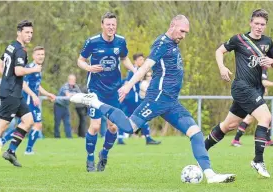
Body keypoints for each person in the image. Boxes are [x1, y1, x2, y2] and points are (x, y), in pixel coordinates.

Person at [71, 15, 235, 183]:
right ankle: (94, 101)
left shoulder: (172, 43)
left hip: (171, 102)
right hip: (157, 98)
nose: (184, 36)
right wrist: (128, 85)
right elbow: (145, 67)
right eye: (182, 31)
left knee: (196, 133)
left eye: (186, 32)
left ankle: (210, 175)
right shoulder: (162, 43)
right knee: (128, 127)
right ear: (172, 26)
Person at [203, 9, 273, 178]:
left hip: (255, 88)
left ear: (265, 26)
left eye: (262, 24)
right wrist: (222, 67)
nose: (259, 27)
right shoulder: (239, 40)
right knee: (266, 118)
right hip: (242, 87)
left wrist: (272, 62)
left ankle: (201, 149)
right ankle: (258, 160)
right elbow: (219, 51)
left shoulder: (268, 42)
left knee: (228, 126)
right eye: (257, 23)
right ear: (251, 23)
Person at [0, 20, 42, 168]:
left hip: (14, 91)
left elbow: (0, 65)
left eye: (31, 32)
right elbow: (18, 71)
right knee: (1, 126)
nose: (29, 35)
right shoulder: (20, 50)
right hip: (11, 93)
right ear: (19, 33)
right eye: (26, 32)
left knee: (29, 120)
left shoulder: (11, 45)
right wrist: (34, 69)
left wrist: (8, 78)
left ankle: (11, 151)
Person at [76, 12, 136, 172]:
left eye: (113, 25)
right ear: (102, 24)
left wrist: (134, 69)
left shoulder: (121, 41)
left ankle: (104, 153)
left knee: (113, 128)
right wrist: (89, 67)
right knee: (95, 126)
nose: (111, 27)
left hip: (114, 91)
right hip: (95, 90)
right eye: (108, 24)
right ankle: (90, 158)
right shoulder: (92, 42)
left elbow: (124, 58)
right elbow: (80, 60)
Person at [0, 46, 56, 155]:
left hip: (33, 100)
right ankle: (28, 149)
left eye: (42, 54)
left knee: (25, 126)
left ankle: (4, 140)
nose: (41, 56)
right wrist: (33, 95)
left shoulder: (38, 68)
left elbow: (37, 86)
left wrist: (47, 94)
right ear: (33, 56)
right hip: (28, 100)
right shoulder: (30, 68)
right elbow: (23, 84)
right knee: (35, 125)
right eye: (38, 54)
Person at [118, 54, 161, 145]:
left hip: (129, 98)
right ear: (136, 61)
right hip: (134, 99)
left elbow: (126, 81)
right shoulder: (136, 70)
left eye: (143, 59)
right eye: (141, 59)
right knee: (142, 116)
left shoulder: (132, 70)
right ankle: (148, 138)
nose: (143, 61)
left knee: (125, 117)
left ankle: (120, 138)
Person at [231, 68, 273, 147]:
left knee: (260, 118)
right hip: (254, 97)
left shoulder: (258, 68)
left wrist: (264, 89)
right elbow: (263, 82)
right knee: (253, 118)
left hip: (254, 96)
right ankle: (236, 140)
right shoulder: (262, 68)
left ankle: (267, 140)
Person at [54, 74, 81, 138]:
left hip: (66, 106)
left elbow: (80, 94)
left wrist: (75, 94)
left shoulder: (75, 87)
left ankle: (69, 137)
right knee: (57, 122)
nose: (73, 81)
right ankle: (57, 136)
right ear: (68, 80)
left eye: (74, 80)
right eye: (71, 80)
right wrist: (74, 94)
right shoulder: (65, 86)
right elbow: (68, 95)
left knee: (67, 122)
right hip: (58, 106)